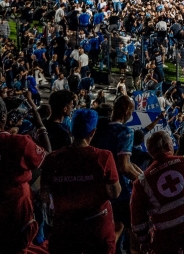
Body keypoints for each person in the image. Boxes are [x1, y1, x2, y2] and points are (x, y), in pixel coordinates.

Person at [40, 108, 121, 254]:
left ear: (70, 130)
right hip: (96, 229)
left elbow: (45, 195)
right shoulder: (103, 157)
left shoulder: (52, 159)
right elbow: (115, 192)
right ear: (93, 132)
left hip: (64, 229)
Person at [130, 130, 184, 254]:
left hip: (165, 240)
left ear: (150, 152)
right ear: (169, 146)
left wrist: (144, 241)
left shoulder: (141, 182)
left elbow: (137, 217)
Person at [0, 96, 51, 254]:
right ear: (4, 117)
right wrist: (40, 124)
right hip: (16, 211)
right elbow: (48, 157)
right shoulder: (19, 142)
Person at [92, 94, 142, 249]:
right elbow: (124, 166)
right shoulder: (125, 132)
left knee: (116, 225)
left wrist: (141, 173)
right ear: (127, 110)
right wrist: (144, 181)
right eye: (132, 111)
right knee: (134, 228)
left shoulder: (99, 127)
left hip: (99, 185)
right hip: (121, 190)